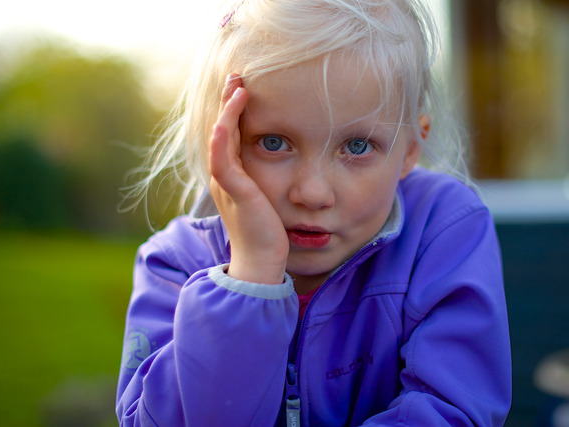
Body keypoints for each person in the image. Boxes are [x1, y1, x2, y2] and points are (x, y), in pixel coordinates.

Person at [116, 0, 512, 425]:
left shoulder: (443, 229)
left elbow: (453, 409)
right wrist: (250, 275)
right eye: (273, 142)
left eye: (357, 146)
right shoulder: (174, 263)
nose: (312, 192)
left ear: (410, 150)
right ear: (225, 140)